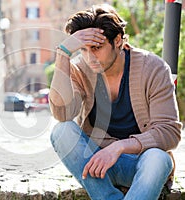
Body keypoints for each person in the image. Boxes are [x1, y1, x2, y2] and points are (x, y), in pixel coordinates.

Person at [49, 4, 182, 200]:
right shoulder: (79, 70)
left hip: (141, 166)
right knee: (62, 132)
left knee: (158, 158)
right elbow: (62, 114)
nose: (89, 57)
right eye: (83, 50)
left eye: (96, 48)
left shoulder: (153, 68)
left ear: (118, 40)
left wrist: (118, 147)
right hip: (99, 167)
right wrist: (63, 55)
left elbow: (170, 132)